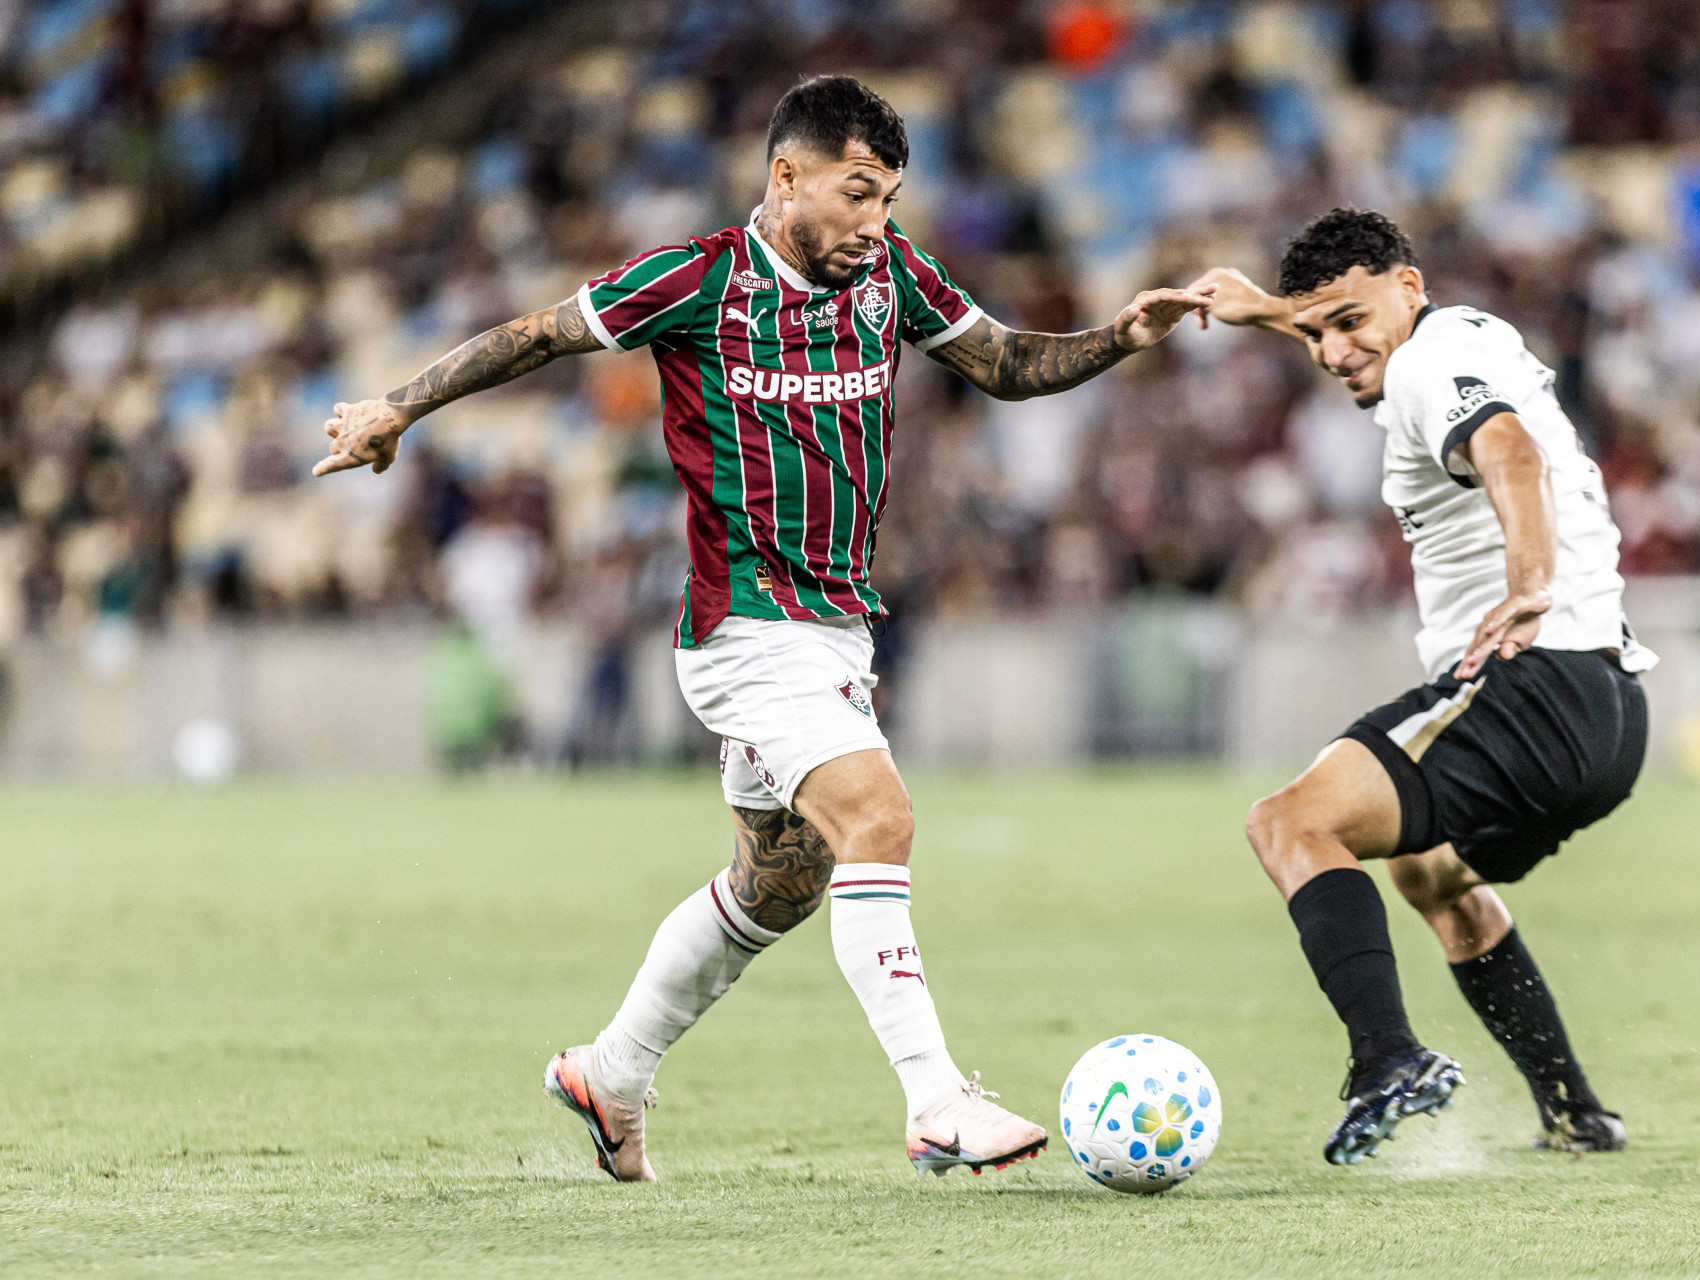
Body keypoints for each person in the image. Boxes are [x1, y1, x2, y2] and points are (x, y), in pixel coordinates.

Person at [313, 74, 1214, 1181]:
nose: (874, 221)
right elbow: (541, 334)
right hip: (743, 625)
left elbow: (1009, 365)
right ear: (786, 176)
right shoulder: (699, 278)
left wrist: (1122, 333)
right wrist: (397, 405)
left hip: (836, 628)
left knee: (778, 884)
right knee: (877, 817)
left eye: (886, 197)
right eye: (857, 193)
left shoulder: (891, 277)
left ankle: (611, 1071)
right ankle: (936, 1099)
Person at [1190, 209, 1653, 1165]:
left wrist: (1528, 585)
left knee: (1289, 823)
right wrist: (1266, 310)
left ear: (1407, 287)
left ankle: (1386, 1059)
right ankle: (1576, 1112)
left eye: (1346, 323)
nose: (1329, 351)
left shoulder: (1425, 367)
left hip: (1535, 684)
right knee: (1430, 871)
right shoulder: (1461, 336)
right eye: (1316, 333)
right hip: (1608, 709)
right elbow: (1359, 324)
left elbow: (1511, 453)